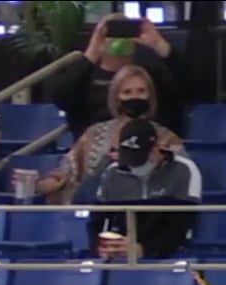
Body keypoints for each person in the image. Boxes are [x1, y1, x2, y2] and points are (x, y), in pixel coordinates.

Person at [37, 65, 184, 204]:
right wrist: (53, 181)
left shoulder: (167, 138)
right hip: (97, 210)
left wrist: (161, 162)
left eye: (141, 91)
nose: (135, 97)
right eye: (127, 92)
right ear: (117, 98)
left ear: (150, 96)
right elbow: (68, 170)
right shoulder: (94, 134)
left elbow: (184, 176)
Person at [48, 16, 184, 139]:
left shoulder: (148, 77)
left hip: (146, 147)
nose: (118, 39)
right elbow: (61, 98)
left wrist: (159, 44)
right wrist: (91, 54)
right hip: (95, 152)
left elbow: (189, 88)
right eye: (111, 32)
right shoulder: (84, 78)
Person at [89, 118, 202, 262]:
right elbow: (96, 220)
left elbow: (182, 225)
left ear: (156, 148)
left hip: (170, 254)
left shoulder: (184, 170)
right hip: (122, 253)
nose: (133, 165)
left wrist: (144, 249)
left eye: (139, 159)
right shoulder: (112, 173)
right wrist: (98, 249)